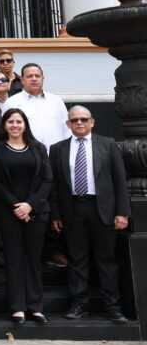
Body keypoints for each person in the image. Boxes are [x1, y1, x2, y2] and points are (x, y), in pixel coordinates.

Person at [49, 106, 130, 323]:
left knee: (106, 259)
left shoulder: (108, 144)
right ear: (68, 124)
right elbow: (54, 186)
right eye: (74, 120)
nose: (79, 123)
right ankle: (79, 304)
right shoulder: (57, 149)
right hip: (73, 209)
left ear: (92, 122)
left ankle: (112, 307)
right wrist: (55, 214)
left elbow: (119, 181)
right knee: (77, 259)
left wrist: (123, 212)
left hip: (102, 209)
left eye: (84, 119)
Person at [0, 108, 52, 325]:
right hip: (8, 212)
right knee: (14, 259)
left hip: (36, 212)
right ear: (4, 125)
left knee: (33, 260)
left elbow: (47, 180)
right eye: (11, 122)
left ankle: (35, 307)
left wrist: (30, 205)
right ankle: (17, 308)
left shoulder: (38, 148)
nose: (15, 125)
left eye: (19, 121)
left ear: (25, 124)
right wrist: (17, 206)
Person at [2, 63, 70, 148]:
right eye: (29, 76)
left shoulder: (56, 101)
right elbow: (5, 131)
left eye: (37, 76)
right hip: (26, 155)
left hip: (55, 154)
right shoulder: (11, 102)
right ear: (22, 80)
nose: (34, 79)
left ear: (43, 78)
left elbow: (67, 128)